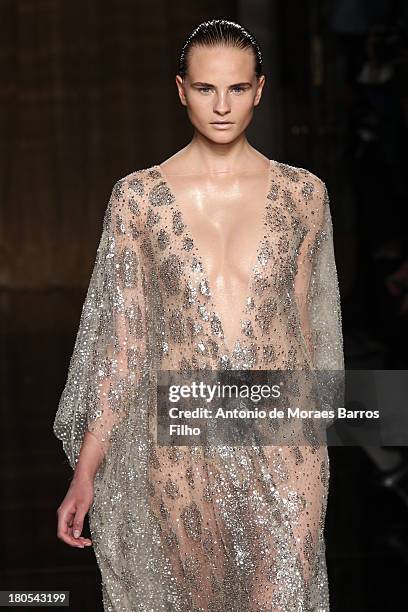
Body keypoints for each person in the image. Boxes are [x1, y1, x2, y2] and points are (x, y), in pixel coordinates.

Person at [53, 18, 344, 611]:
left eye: (236, 89)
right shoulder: (137, 199)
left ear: (258, 90)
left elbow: (309, 329)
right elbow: (125, 343)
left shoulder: (305, 194)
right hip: (184, 439)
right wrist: (86, 470)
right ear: (181, 89)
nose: (221, 105)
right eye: (207, 88)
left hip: (285, 437)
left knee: (285, 595)